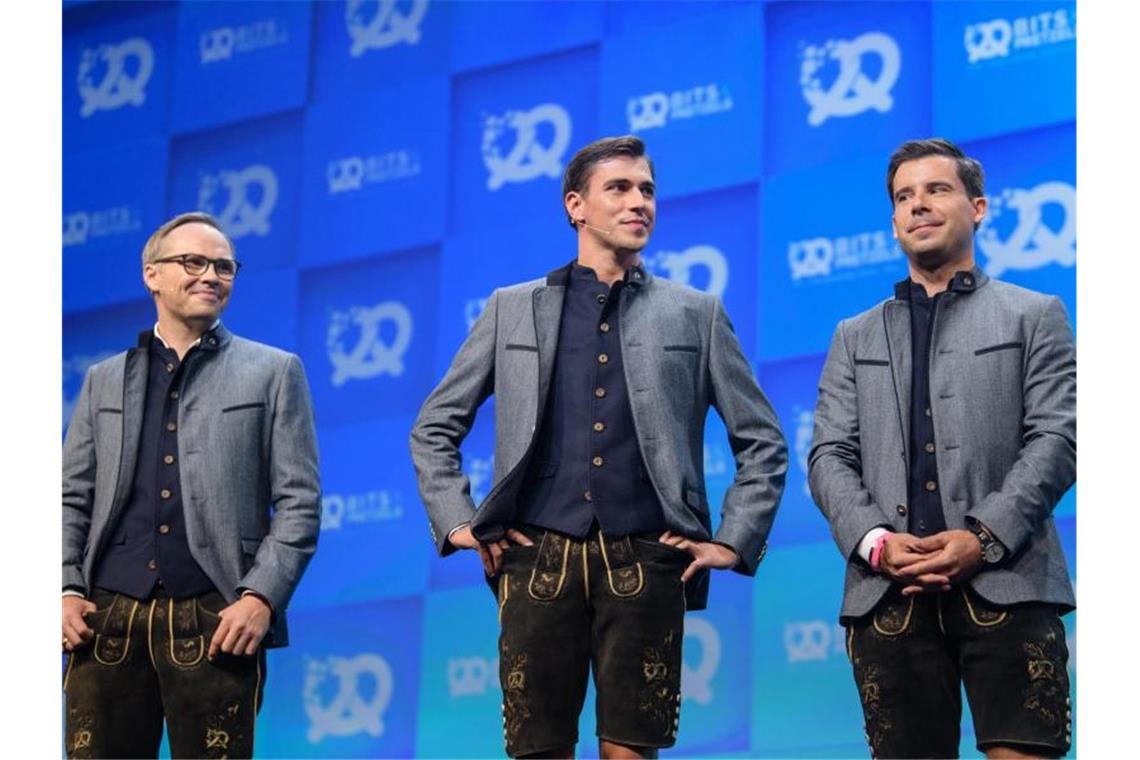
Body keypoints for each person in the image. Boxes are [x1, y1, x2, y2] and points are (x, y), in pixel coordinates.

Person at [410, 135, 787, 758]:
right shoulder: (512, 309)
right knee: (537, 750)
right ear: (575, 206)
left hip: (648, 558)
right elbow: (434, 427)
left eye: (647, 190)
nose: (639, 202)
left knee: (632, 751)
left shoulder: (696, 312)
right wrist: (457, 524)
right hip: (535, 561)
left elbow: (763, 441)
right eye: (620, 188)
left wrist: (732, 539)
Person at [809, 138, 1075, 759]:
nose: (918, 205)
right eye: (904, 196)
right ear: (894, 219)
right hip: (888, 595)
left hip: (1010, 582)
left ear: (978, 207)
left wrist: (980, 538)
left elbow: (1057, 439)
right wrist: (875, 541)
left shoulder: (1033, 314)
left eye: (937, 190)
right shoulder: (854, 335)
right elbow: (829, 457)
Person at [61, 212, 321, 759]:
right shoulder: (103, 379)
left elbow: (299, 503)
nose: (211, 275)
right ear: (151, 275)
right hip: (107, 617)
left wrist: (262, 598)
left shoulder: (274, 371)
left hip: (219, 617)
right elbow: (70, 499)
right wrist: (64, 590)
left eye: (224, 267)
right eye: (193, 262)